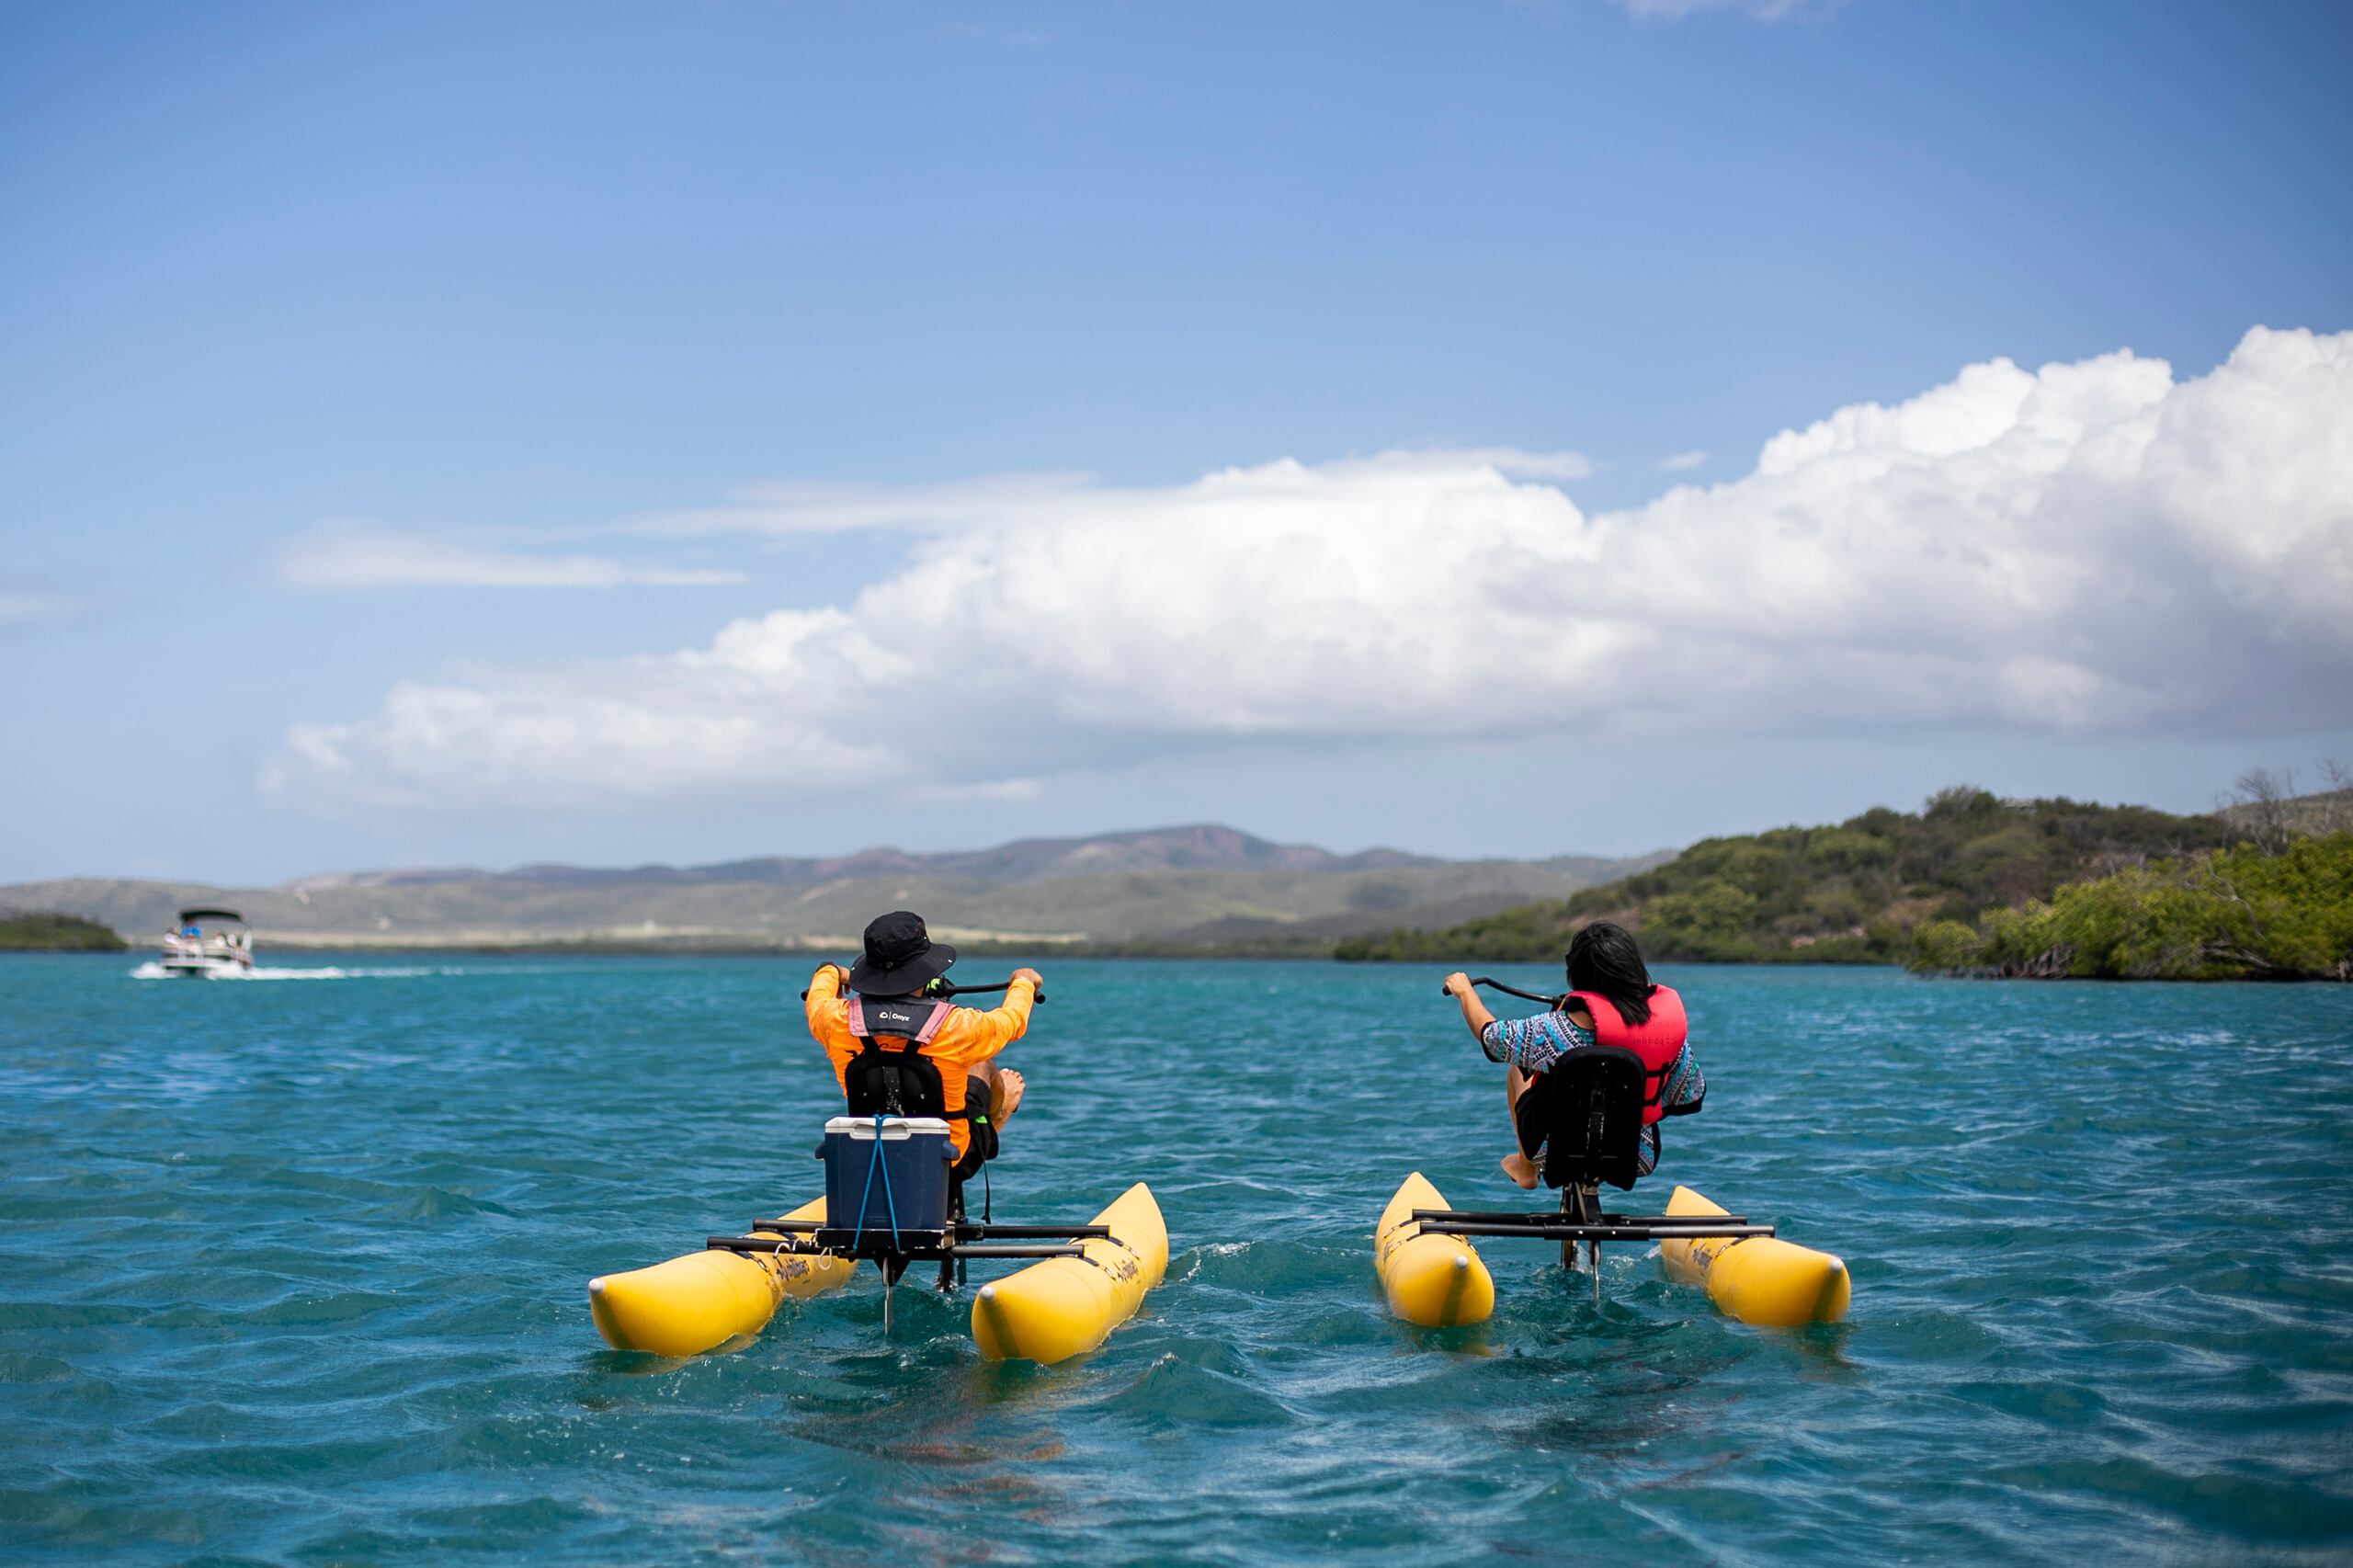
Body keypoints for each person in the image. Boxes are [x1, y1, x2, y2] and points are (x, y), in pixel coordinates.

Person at [1441, 920, 1705, 1190]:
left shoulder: (1554, 1033)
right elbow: (1690, 1095)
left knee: (1519, 1066)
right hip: (1635, 1157)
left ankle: (1525, 1169)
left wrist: (1465, 992)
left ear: (1576, 975)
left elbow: (1492, 1037)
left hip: (1554, 1152)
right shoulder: (1666, 1033)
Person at [803, 910, 1036, 1185]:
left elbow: (819, 988)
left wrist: (832, 971)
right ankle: (1000, 1112)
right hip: (951, 1160)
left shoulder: (833, 1019)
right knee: (980, 1063)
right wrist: (1024, 982)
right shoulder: (959, 1027)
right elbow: (1012, 1021)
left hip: (871, 1156)